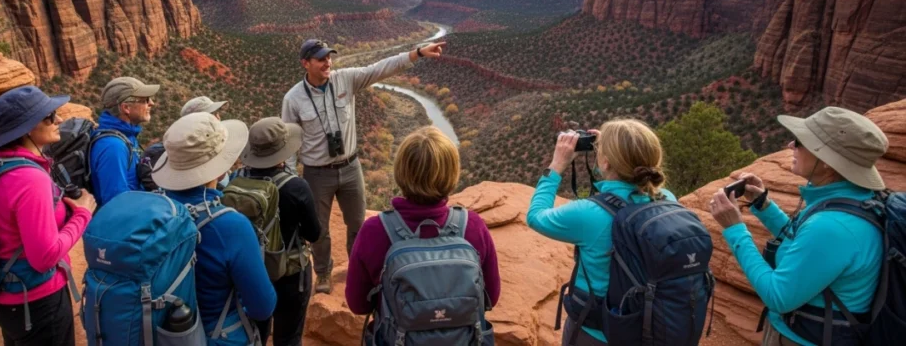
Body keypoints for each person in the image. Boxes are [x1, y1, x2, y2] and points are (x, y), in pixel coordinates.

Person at [709, 107, 887, 346]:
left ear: (827, 163)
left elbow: (778, 296)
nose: (791, 145)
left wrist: (735, 230)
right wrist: (763, 205)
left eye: (802, 141)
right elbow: (802, 241)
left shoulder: (832, 226)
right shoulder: (852, 198)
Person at [281, 38, 446, 294]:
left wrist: (417, 53)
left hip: (350, 167)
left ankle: (357, 269)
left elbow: (381, 68)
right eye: (321, 59)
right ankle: (323, 273)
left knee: (357, 224)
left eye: (329, 57)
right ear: (306, 63)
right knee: (319, 229)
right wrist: (291, 179)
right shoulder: (293, 99)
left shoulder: (346, 79)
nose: (328, 62)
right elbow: (289, 141)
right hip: (316, 173)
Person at [527, 120, 676, 346]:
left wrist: (556, 165)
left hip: (597, 332)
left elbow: (536, 216)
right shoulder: (667, 200)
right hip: (651, 325)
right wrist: (613, 149)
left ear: (605, 163)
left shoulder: (589, 213)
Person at [0, 86, 97, 346]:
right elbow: (44, 257)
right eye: (49, 116)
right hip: (36, 300)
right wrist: (82, 213)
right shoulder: (29, 179)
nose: (58, 120)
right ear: (27, 128)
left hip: (7, 295)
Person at [345, 127, 501, 315]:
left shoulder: (374, 230)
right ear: (451, 173)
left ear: (401, 171)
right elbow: (491, 296)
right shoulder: (472, 226)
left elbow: (358, 305)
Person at [154, 112, 277, 345]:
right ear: (220, 170)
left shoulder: (151, 210)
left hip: (158, 332)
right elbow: (263, 306)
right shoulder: (230, 226)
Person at [242, 117, 321, 346]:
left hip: (251, 272)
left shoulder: (237, 181)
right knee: (288, 338)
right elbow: (313, 233)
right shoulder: (296, 186)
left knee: (256, 332)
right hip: (290, 274)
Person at [90, 76, 159, 205]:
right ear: (126, 108)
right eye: (145, 100)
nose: (151, 103)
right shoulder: (113, 146)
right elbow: (116, 203)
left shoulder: (128, 136)